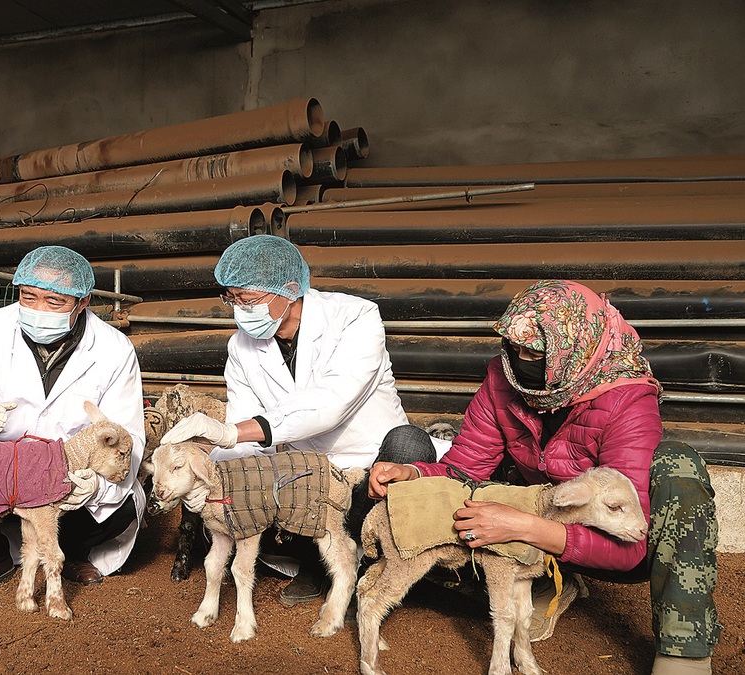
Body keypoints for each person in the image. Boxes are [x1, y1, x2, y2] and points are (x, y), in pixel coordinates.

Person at [368, 279, 719, 675]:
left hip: (604, 536)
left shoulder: (627, 400)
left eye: (533, 352)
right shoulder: (504, 380)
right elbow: (464, 469)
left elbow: (630, 546)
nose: (519, 360)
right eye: (514, 348)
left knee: (677, 467)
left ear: (572, 349)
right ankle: (540, 579)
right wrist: (412, 472)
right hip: (536, 507)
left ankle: (683, 652)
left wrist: (522, 526)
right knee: (427, 543)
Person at [160, 234, 436, 606]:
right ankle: (317, 563)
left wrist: (227, 431)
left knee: (409, 443)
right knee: (249, 489)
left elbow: (329, 404)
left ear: (289, 290)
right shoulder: (240, 346)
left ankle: (371, 574)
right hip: (304, 480)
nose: (240, 310)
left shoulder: (355, 318)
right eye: (232, 298)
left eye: (249, 299)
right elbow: (244, 432)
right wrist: (209, 485)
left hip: (365, 463)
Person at [0, 245, 145, 588]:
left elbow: (127, 434)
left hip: (67, 475)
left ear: (83, 301)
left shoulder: (114, 348)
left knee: (123, 501)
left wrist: (92, 486)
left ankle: (74, 552)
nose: (38, 310)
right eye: (28, 297)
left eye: (54, 302)